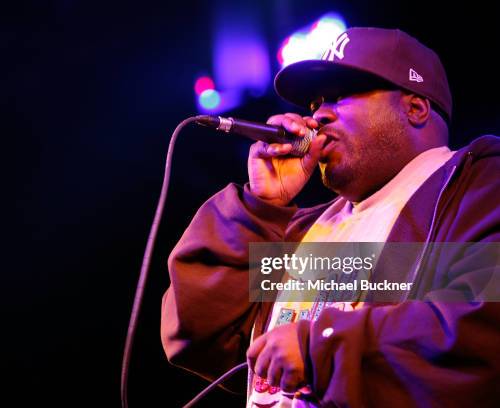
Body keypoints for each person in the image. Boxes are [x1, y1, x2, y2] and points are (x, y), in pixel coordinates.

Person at [161, 27, 500, 407]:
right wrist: (260, 207)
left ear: (415, 108)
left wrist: (319, 346)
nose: (319, 115)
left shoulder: (476, 186)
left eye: (340, 96)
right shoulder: (306, 230)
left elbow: (479, 324)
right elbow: (199, 330)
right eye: (316, 103)